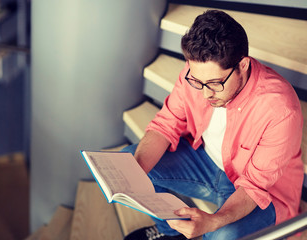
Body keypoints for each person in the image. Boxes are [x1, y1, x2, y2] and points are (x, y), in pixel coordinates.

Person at [122, 10, 304, 240]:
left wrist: (213, 221)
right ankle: (170, 234)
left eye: (215, 83)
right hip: (206, 163)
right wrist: (135, 175)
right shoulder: (195, 74)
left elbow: (254, 187)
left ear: (243, 65)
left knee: (221, 235)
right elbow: (165, 125)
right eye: (198, 81)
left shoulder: (281, 109)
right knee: (128, 163)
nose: (206, 93)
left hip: (256, 190)